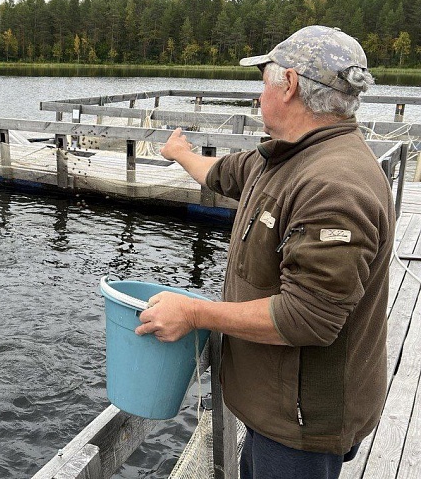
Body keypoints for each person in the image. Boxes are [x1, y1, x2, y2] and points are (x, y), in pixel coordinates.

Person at [134, 25, 394, 479]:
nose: (258, 95)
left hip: (302, 424)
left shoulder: (334, 185)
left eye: (263, 80)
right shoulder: (285, 155)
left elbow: (306, 317)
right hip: (276, 406)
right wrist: (180, 153)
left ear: (289, 84)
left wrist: (195, 314)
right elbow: (222, 174)